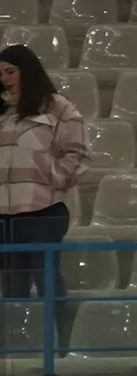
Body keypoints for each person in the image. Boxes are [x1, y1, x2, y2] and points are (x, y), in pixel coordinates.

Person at [0, 44, 88, 303]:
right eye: (0, 74)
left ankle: (58, 341)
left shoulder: (57, 106)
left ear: (27, 71)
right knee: (13, 286)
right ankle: (19, 342)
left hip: (43, 210)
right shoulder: (2, 110)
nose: (4, 79)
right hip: (4, 216)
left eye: (10, 71)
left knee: (47, 281)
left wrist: (55, 179)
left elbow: (77, 151)